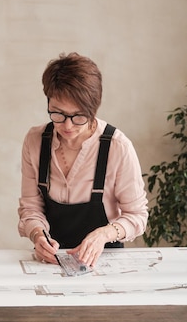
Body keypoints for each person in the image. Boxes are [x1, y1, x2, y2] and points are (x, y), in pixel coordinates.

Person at [18, 52, 148, 267]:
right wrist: (38, 236)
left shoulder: (117, 147)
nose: (67, 126)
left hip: (104, 261)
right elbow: (31, 207)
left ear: (93, 109)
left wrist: (103, 235)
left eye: (79, 117)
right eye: (58, 114)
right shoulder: (35, 141)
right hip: (50, 262)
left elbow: (137, 216)